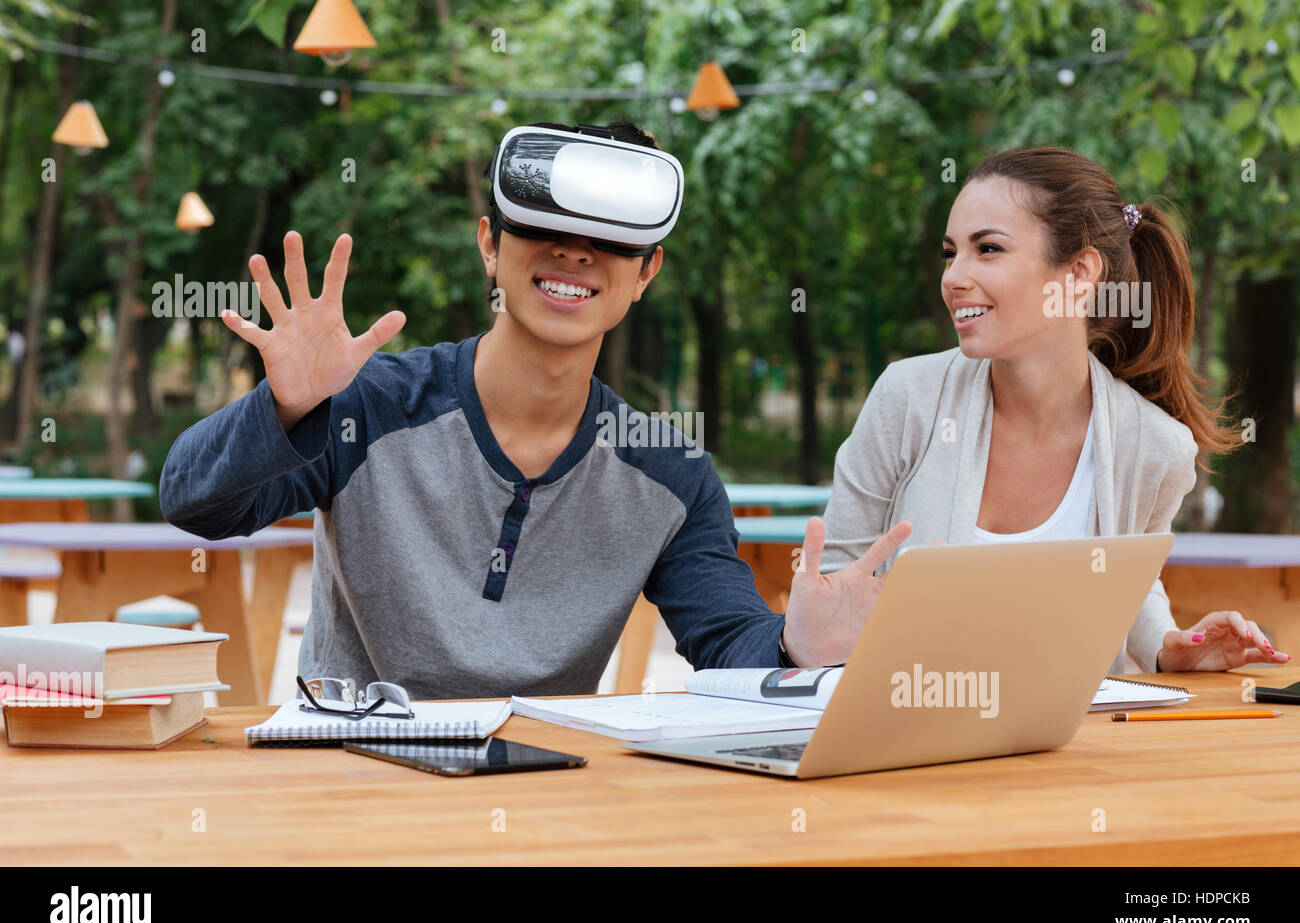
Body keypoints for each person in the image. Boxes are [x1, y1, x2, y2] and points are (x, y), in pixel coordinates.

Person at [159, 119, 909, 699]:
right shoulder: (370, 408)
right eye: (544, 226)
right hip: (352, 781)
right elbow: (194, 503)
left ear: (646, 272)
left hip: (541, 798)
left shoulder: (670, 473)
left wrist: (796, 648)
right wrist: (286, 406)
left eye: (612, 240)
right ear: (490, 243)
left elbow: (726, 640)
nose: (576, 252)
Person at [812, 146, 1291, 674]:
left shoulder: (1156, 449)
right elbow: (833, 583)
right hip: (901, 731)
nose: (953, 277)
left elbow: (1129, 584)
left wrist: (1167, 645)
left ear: (1080, 271)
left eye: (988, 249)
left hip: (1069, 749)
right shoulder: (907, 399)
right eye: (951, 253)